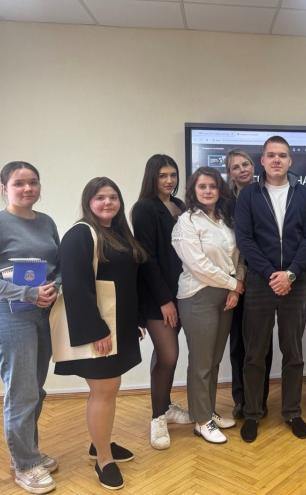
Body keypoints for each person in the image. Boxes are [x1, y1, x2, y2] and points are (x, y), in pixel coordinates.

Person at [0, 161, 60, 494]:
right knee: (22, 391)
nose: (27, 188)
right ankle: (24, 465)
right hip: (10, 317)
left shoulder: (47, 222)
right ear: (4, 188)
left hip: (43, 314)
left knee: (35, 389)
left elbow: (57, 267)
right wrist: (28, 293)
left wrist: (55, 287)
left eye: (33, 182)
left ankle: (26, 451)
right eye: (19, 183)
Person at [55, 177, 147, 490]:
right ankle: (104, 460)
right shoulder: (80, 234)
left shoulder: (117, 233)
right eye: (100, 198)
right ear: (88, 202)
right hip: (99, 329)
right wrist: (96, 331)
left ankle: (100, 443)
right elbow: (76, 287)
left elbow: (126, 282)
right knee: (103, 390)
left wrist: (134, 321)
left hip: (118, 326)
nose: (108, 202)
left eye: (113, 197)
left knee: (109, 388)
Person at [234, 136, 306, 443]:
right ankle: (253, 413)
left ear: (290, 160)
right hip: (260, 282)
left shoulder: (304, 194)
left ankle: (292, 412)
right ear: (263, 160)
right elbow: (244, 239)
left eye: (282, 155)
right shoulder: (249, 195)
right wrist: (272, 274)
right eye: (271, 155)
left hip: (295, 283)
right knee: (255, 352)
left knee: (293, 352)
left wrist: (291, 273)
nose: (277, 160)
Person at [171, 167, 243, 444]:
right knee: (201, 362)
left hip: (226, 294)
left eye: (213, 186)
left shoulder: (224, 220)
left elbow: (236, 256)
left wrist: (234, 287)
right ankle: (201, 421)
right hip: (198, 296)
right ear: (193, 190)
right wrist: (233, 283)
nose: (208, 191)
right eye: (202, 186)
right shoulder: (187, 222)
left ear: (220, 190)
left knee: (213, 361)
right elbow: (198, 265)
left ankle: (208, 411)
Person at [131, 154, 191, 451]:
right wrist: (165, 300)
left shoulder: (179, 205)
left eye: (173, 175)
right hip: (159, 296)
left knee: (167, 356)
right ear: (152, 177)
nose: (169, 180)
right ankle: (157, 418)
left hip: (183, 292)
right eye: (163, 175)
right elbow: (148, 258)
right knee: (168, 356)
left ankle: (165, 406)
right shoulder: (144, 208)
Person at [225, 149, 273, 420]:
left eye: (245, 164)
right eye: (236, 167)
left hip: (260, 277)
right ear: (229, 173)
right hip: (232, 281)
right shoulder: (225, 202)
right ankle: (241, 399)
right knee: (238, 344)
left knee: (261, 343)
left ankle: (260, 400)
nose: (242, 169)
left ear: (254, 166)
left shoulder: (265, 194)